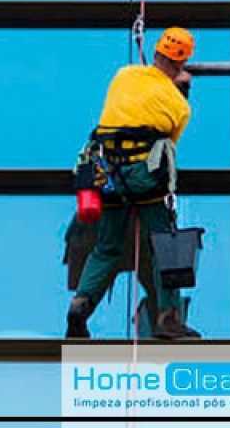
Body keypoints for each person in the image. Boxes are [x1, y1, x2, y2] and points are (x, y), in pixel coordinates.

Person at [66, 27, 199, 341]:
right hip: (145, 181)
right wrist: (181, 89)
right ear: (180, 65)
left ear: (155, 54)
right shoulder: (179, 105)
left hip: (106, 175)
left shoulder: (124, 75)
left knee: (107, 248)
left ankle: (79, 306)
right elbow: (170, 139)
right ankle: (168, 318)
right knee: (163, 246)